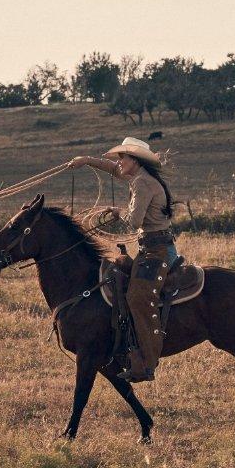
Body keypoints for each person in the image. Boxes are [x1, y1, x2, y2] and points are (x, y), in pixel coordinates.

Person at [69, 137, 177, 381]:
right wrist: (86, 160)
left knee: (138, 297)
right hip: (152, 247)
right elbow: (113, 170)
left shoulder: (142, 183)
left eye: (123, 157)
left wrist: (118, 211)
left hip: (157, 251)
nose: (119, 162)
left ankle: (146, 363)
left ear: (134, 160)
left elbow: (135, 221)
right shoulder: (139, 177)